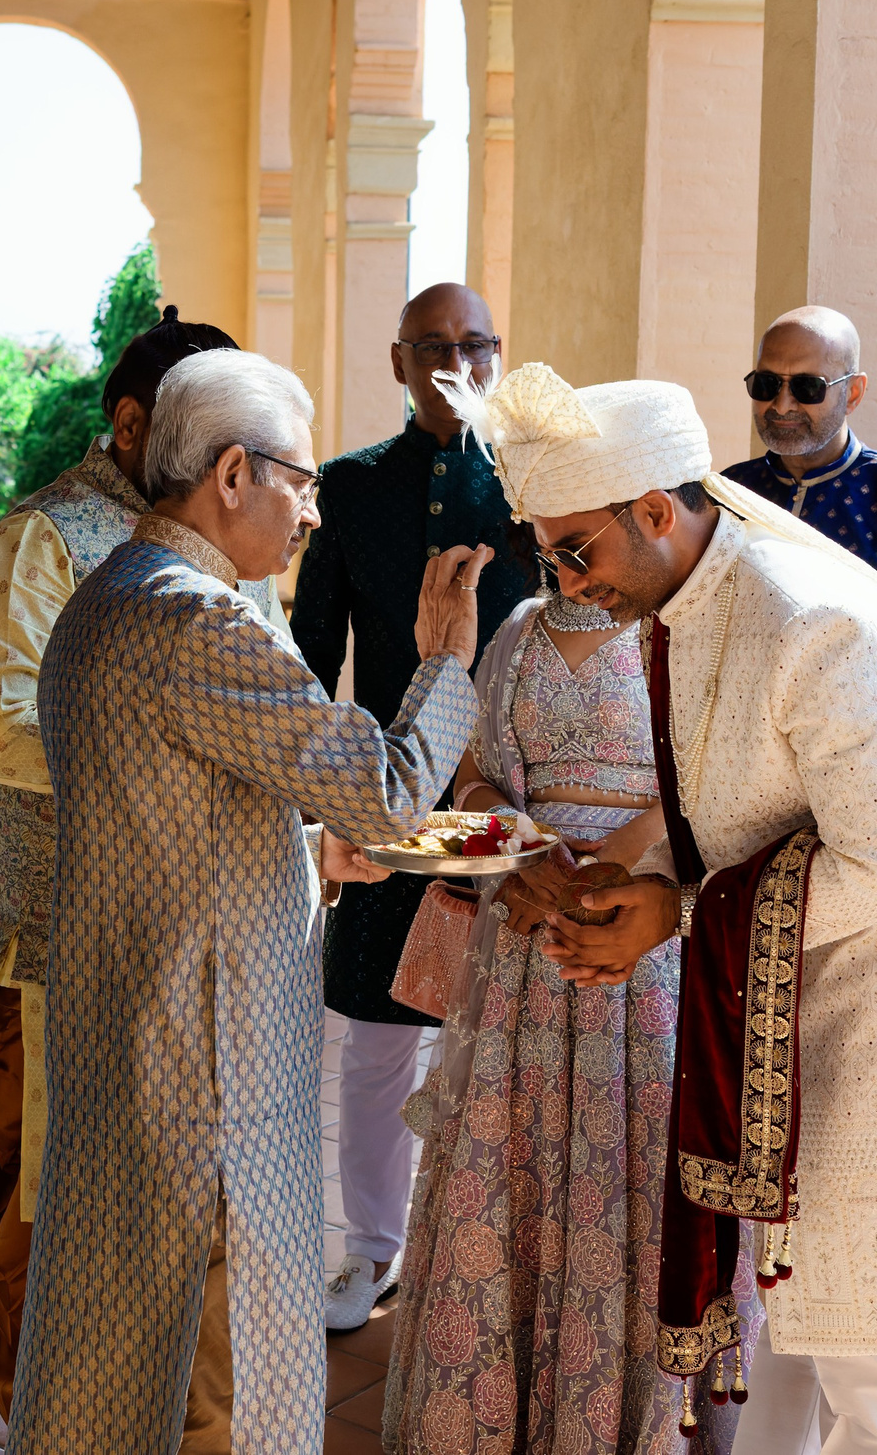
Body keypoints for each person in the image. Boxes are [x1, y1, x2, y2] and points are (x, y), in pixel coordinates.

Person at [457, 363, 877, 1455]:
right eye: (549, 558)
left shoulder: (812, 625)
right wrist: (629, 888)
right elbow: (721, 811)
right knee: (788, 1331)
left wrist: (671, 916)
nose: (568, 583)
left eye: (577, 550)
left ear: (654, 510)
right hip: (783, 996)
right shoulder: (681, 600)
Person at [8, 350, 489, 1455]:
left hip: (138, 1055)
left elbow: (167, 817)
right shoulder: (196, 620)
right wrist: (444, 665)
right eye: (301, 482)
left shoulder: (109, 599)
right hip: (206, 1085)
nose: (311, 512)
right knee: (220, 1378)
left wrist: (306, 854)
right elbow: (385, 792)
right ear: (233, 473)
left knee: (120, 1362)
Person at [0, 305, 252, 1419]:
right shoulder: (41, 539)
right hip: (58, 954)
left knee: (194, 1229)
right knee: (33, 1237)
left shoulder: (236, 534)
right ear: (131, 426)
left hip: (203, 950)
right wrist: (162, 759)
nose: (233, 460)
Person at [378, 563, 712, 1453]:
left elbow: (709, 783)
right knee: (512, 1150)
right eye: (548, 535)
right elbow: (476, 778)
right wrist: (528, 852)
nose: (563, 557)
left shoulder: (684, 624)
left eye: (577, 533)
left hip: (636, 933)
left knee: (627, 1161)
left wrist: (603, 867)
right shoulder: (519, 628)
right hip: (523, 933)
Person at [290, 282, 534, 1329]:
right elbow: (308, 656)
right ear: (396, 363)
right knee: (380, 1034)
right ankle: (371, 1252)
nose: (454, 363)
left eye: (474, 345)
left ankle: (488, 1251)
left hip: (516, 802)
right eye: (431, 346)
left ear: (496, 356)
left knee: (508, 1031)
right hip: (393, 802)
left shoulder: (535, 484)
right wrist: (315, 798)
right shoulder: (347, 489)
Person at [720, 306, 877, 584]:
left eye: (808, 387)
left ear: (853, 393)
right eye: (767, 383)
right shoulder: (728, 493)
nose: (783, 404)